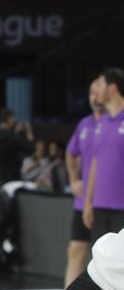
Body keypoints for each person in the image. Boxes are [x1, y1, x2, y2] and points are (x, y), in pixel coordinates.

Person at [64, 78, 104, 288]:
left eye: (97, 91)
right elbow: (70, 154)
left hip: (108, 201)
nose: (93, 97)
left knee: (105, 259)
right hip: (83, 202)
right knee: (76, 250)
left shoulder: (116, 122)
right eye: (90, 92)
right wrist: (73, 179)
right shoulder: (85, 124)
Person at [83, 68, 124, 247]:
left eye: (100, 84)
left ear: (112, 89)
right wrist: (88, 201)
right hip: (100, 206)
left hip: (122, 207)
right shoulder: (102, 122)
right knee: (98, 265)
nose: (96, 90)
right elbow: (95, 163)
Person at [0, 107, 35, 187]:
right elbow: (31, 149)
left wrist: (15, 133)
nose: (14, 121)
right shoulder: (13, 137)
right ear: (9, 119)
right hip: (12, 179)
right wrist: (29, 132)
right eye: (13, 118)